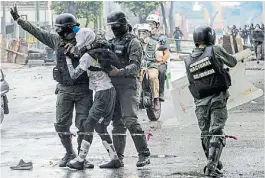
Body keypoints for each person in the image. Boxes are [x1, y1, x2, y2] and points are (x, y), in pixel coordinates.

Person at [10, 6, 100, 168]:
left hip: (83, 90)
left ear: (69, 29)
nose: (59, 32)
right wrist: (19, 20)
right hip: (64, 89)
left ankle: (81, 157)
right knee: (61, 124)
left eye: (61, 29)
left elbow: (101, 48)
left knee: (83, 124)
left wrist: (81, 50)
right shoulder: (56, 41)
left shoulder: (86, 40)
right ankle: (69, 153)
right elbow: (38, 32)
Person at [61, 29, 122, 170]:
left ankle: (81, 159)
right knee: (100, 127)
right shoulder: (99, 51)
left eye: (78, 40)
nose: (76, 43)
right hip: (109, 91)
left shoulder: (87, 56)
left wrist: (68, 60)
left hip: (102, 94)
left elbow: (74, 75)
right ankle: (114, 159)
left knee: (89, 124)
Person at [183, 25, 237, 177]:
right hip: (218, 98)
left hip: (200, 102)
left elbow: (191, 82)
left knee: (206, 133)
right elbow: (232, 62)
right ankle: (211, 167)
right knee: (217, 131)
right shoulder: (215, 49)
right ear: (211, 37)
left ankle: (213, 161)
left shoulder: (188, 59)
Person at [106, 10, 151, 167]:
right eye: (112, 27)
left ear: (124, 25)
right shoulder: (111, 42)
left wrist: (120, 72)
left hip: (128, 85)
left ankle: (144, 154)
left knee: (130, 120)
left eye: (117, 26)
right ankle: (117, 158)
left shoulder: (134, 42)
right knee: (117, 123)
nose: (114, 29)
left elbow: (135, 66)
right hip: (113, 86)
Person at [146, 14, 170, 101]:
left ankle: (160, 93)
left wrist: (162, 61)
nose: (150, 26)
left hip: (158, 62)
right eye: (149, 24)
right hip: (146, 61)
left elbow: (167, 53)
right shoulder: (145, 37)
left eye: (152, 23)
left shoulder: (162, 38)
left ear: (157, 25)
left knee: (161, 70)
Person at [137, 23, 162, 110]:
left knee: (153, 77)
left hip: (151, 66)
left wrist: (158, 55)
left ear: (149, 33)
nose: (142, 35)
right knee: (136, 79)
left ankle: (156, 99)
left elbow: (159, 57)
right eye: (140, 32)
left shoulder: (155, 43)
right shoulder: (136, 44)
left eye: (144, 32)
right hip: (140, 67)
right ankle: (136, 98)